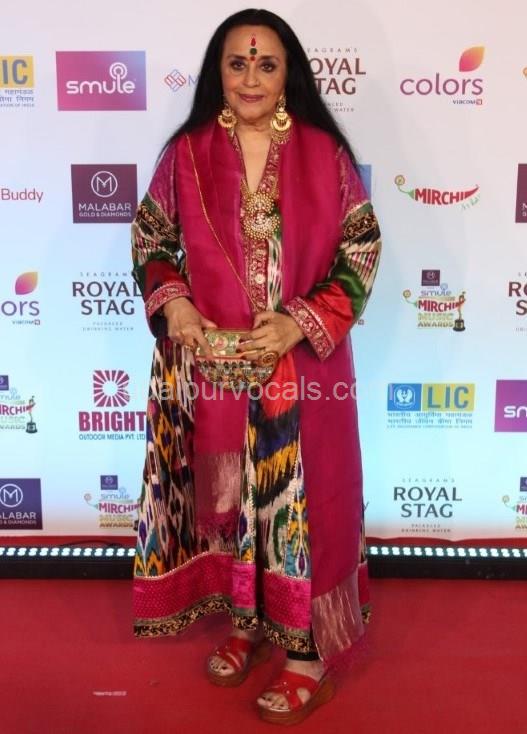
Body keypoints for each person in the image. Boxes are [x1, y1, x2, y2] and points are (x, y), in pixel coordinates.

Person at [131, 8, 381, 725]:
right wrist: (177, 305)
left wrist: (299, 321)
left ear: (287, 75)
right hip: (212, 369)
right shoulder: (185, 155)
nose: (250, 78)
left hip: (300, 372)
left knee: (301, 505)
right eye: (237, 64)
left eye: (266, 65)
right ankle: (248, 622)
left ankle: (306, 654)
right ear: (218, 72)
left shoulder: (323, 154)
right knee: (231, 500)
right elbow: (151, 240)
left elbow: (361, 249)